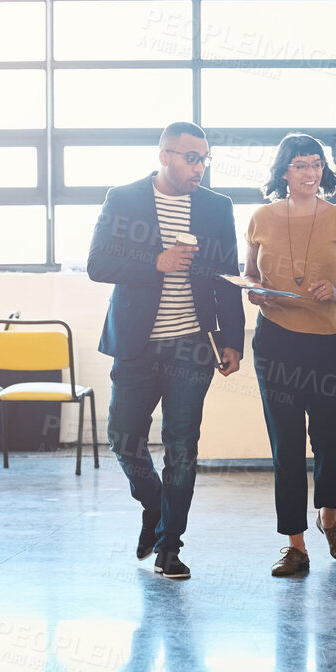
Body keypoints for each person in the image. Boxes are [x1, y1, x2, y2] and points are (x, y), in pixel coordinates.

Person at [88, 121, 245, 581]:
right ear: (165, 155)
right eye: (190, 157)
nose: (199, 166)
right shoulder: (125, 198)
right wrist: (154, 262)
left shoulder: (217, 207)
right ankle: (154, 505)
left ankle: (170, 545)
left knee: (182, 446)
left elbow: (228, 276)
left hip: (191, 347)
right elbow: (98, 263)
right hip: (136, 345)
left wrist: (231, 340)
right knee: (122, 437)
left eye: (204, 158)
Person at [243, 133, 336, 577]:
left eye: (316, 165)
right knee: (286, 443)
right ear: (283, 173)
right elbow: (250, 274)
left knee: (331, 439)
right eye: (300, 165)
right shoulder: (260, 218)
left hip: (331, 340)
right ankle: (295, 545)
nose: (310, 173)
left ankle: (328, 517)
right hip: (276, 341)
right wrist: (252, 291)